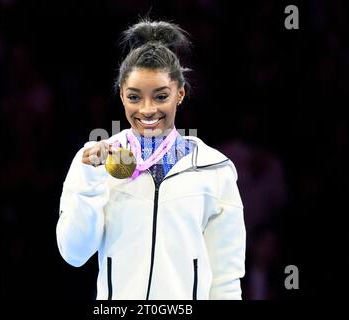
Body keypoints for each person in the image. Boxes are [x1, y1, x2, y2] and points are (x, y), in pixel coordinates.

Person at [56, 19, 246, 300]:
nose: (147, 110)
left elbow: (226, 278)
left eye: (160, 96)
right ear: (122, 94)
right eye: (135, 97)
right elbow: (74, 254)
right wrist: (90, 180)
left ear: (179, 94)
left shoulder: (214, 170)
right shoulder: (93, 163)